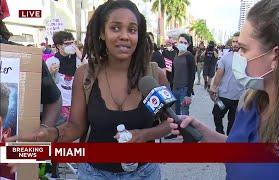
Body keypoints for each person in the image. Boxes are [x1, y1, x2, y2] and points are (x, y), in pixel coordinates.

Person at [8, 1, 171, 179]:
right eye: (115, 28)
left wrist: (142, 135)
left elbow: (170, 124)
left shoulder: (154, 75)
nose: (125, 36)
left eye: (132, 30)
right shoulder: (85, 75)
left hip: (145, 173)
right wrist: (51, 134)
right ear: (102, 32)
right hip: (93, 173)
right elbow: (76, 127)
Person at [169, 0, 279, 179]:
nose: (237, 57)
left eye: (243, 49)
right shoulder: (249, 101)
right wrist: (203, 132)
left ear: (276, 56)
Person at [209, 32, 244, 135]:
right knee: (216, 114)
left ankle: (228, 141)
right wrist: (213, 88)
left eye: (238, 42)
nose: (235, 44)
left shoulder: (248, 59)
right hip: (224, 96)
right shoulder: (225, 58)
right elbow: (219, 74)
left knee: (233, 122)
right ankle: (220, 133)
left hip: (239, 98)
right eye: (233, 41)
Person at [46, 31, 82, 124]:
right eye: (67, 43)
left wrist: (79, 54)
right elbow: (46, 83)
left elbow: (89, 71)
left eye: (72, 42)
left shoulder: (78, 59)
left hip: (76, 102)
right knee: (60, 129)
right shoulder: (52, 61)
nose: (71, 45)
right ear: (58, 46)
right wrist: (50, 72)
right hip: (59, 103)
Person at [171, 33, 196, 115]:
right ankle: (177, 128)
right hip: (174, 89)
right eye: (181, 42)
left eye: (185, 43)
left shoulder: (189, 56)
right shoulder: (175, 54)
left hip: (184, 90)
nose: (182, 44)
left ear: (188, 45)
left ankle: (184, 128)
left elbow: (192, 76)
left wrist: (188, 94)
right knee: (175, 114)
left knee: (184, 114)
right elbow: (173, 72)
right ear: (177, 42)